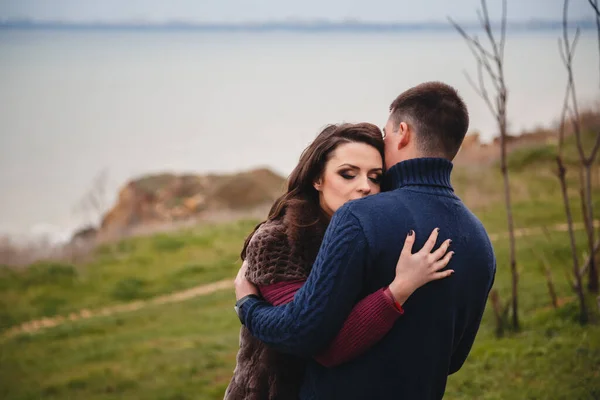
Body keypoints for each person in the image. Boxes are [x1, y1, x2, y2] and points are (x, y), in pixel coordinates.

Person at [234, 82, 496, 399]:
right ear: (317, 178)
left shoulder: (360, 222)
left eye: (374, 176)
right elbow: (452, 359)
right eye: (348, 173)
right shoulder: (480, 240)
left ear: (402, 133)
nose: (365, 187)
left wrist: (248, 305)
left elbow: (309, 336)